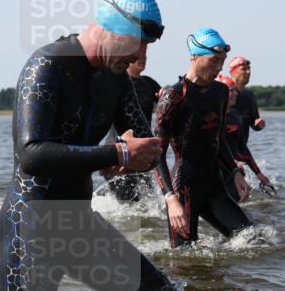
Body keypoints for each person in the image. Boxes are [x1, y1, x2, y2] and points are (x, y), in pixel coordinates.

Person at [0, 0, 190, 291]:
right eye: (138, 45)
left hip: (78, 225)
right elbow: (31, 154)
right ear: (112, 28)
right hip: (33, 226)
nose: (140, 59)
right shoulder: (48, 64)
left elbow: (147, 146)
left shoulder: (115, 80)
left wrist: (136, 162)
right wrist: (114, 153)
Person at [154, 27, 251, 248]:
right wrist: (170, 198)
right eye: (214, 60)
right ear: (195, 56)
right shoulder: (173, 96)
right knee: (184, 258)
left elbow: (218, 137)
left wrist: (234, 172)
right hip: (183, 190)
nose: (219, 67)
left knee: (254, 240)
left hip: (214, 185)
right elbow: (157, 152)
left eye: (222, 61)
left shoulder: (221, 92)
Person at [105, 47, 162, 202]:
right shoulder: (115, 83)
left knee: (150, 205)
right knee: (128, 204)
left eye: (145, 55)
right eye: (138, 55)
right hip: (119, 149)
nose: (142, 58)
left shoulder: (149, 84)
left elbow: (167, 105)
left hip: (142, 150)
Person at [217, 74, 272, 197]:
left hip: (233, 168)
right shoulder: (211, 117)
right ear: (221, 92)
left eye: (235, 90)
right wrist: (232, 162)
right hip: (214, 168)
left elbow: (242, 148)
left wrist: (258, 173)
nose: (236, 93)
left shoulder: (236, 116)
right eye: (231, 90)